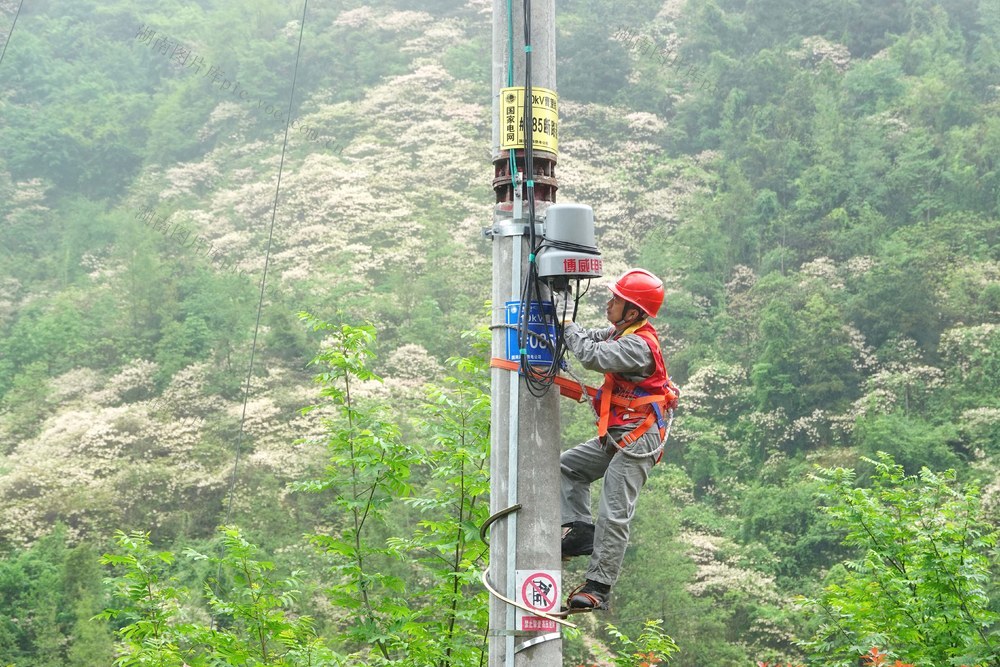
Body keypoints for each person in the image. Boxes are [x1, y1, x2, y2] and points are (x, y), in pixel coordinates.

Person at [558, 268, 678, 611]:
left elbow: (591, 355)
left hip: (639, 437)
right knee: (568, 468)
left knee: (614, 510)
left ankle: (598, 587)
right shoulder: (622, 331)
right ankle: (579, 530)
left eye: (617, 300)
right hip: (620, 431)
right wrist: (562, 322)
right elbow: (589, 338)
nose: (609, 303)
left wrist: (568, 325)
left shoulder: (638, 346)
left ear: (635, 311)